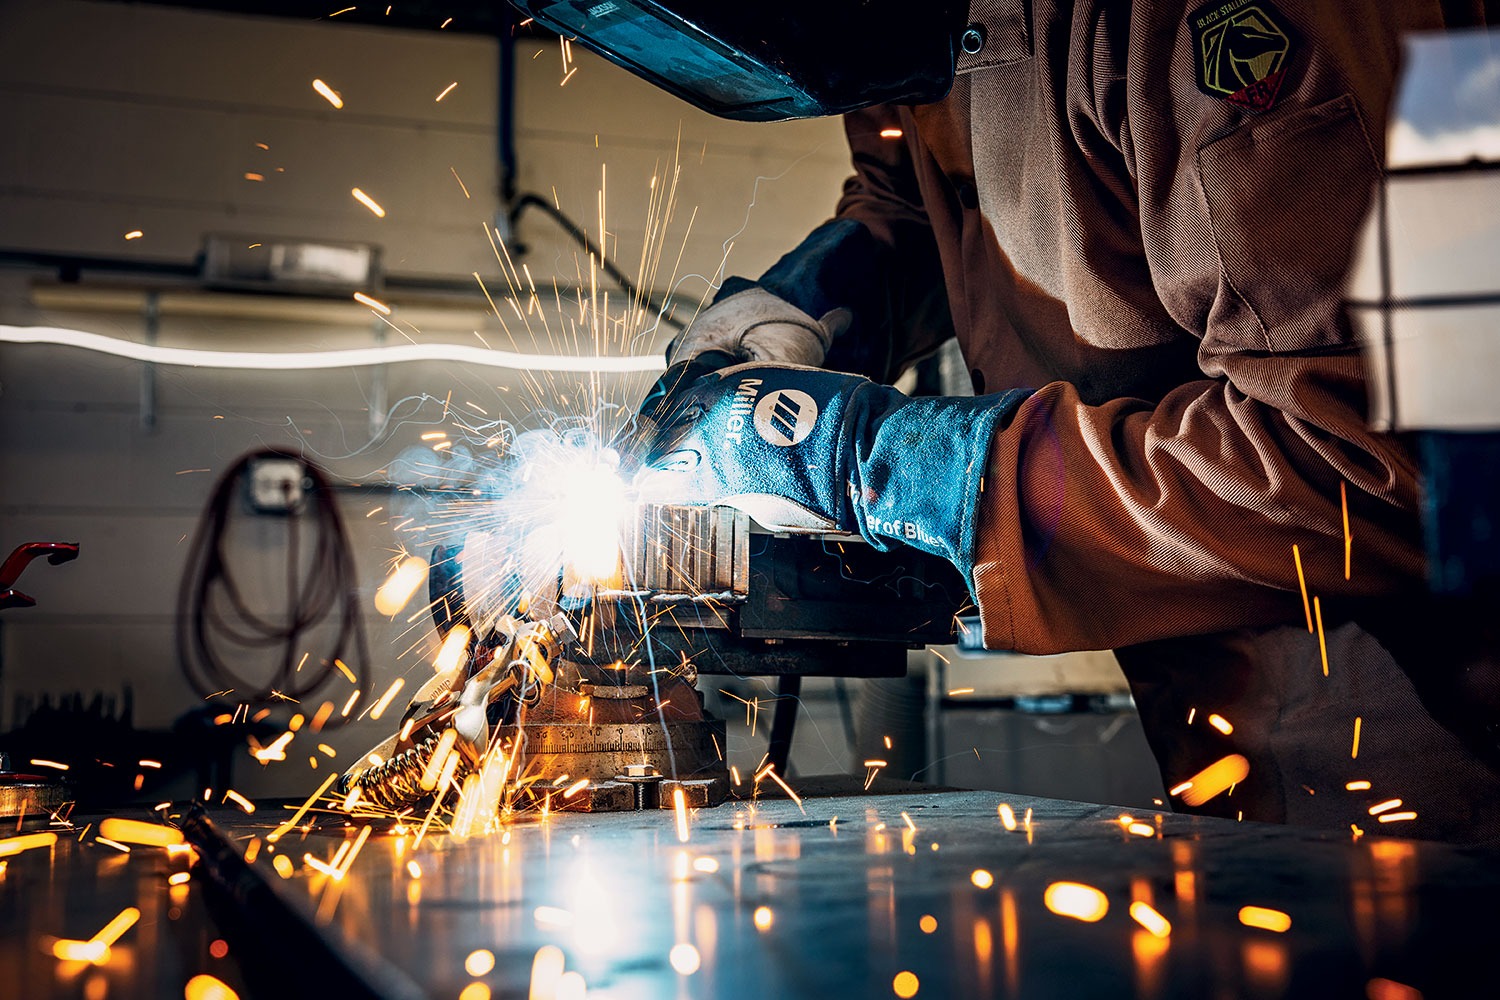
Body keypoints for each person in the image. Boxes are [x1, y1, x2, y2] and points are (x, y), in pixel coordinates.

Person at [529, 1, 1500, 842]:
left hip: (1441, 724)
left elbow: (1369, 463)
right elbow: (918, 190)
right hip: (1222, 716)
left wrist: (882, 464)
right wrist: (812, 302)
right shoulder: (895, 37)